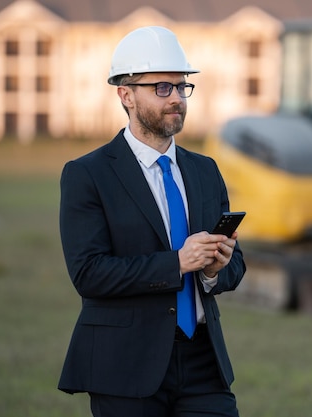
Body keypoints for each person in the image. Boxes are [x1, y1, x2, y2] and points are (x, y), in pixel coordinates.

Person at [57, 26, 245, 417]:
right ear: (126, 95)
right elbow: (89, 274)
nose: (176, 97)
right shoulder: (87, 174)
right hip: (124, 366)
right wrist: (178, 262)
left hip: (202, 363)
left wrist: (214, 269)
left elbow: (235, 265)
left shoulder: (205, 171)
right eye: (162, 88)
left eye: (182, 87)